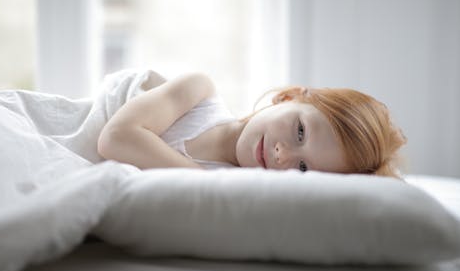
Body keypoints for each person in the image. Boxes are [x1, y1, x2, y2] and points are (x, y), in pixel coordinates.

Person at [97, 70, 407, 177]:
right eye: (300, 131)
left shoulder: (239, 191)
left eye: (302, 168)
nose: (281, 155)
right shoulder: (199, 92)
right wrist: (202, 181)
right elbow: (116, 137)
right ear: (288, 97)